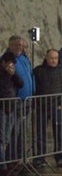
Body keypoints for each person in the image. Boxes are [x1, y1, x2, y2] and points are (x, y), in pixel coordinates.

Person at [33, 49, 62, 168]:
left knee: (59, 134)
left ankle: (59, 157)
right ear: (46, 57)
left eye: (56, 58)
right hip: (42, 107)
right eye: (51, 58)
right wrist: (36, 102)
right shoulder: (38, 71)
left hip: (57, 107)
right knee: (41, 134)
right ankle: (40, 158)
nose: (53, 60)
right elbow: (35, 87)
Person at [6, 35, 35, 164]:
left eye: (21, 45)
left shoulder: (24, 58)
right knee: (14, 132)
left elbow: (29, 75)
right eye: (16, 45)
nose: (19, 47)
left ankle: (20, 159)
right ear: (10, 46)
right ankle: (12, 160)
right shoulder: (7, 60)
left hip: (27, 100)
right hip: (16, 101)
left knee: (23, 132)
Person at [0, 52, 23, 176]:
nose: (11, 66)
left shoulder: (11, 73)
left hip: (11, 107)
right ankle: (3, 167)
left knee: (7, 138)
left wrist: (13, 75)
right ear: (3, 62)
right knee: (1, 138)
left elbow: (20, 84)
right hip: (2, 108)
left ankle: (5, 164)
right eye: (9, 63)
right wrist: (6, 74)